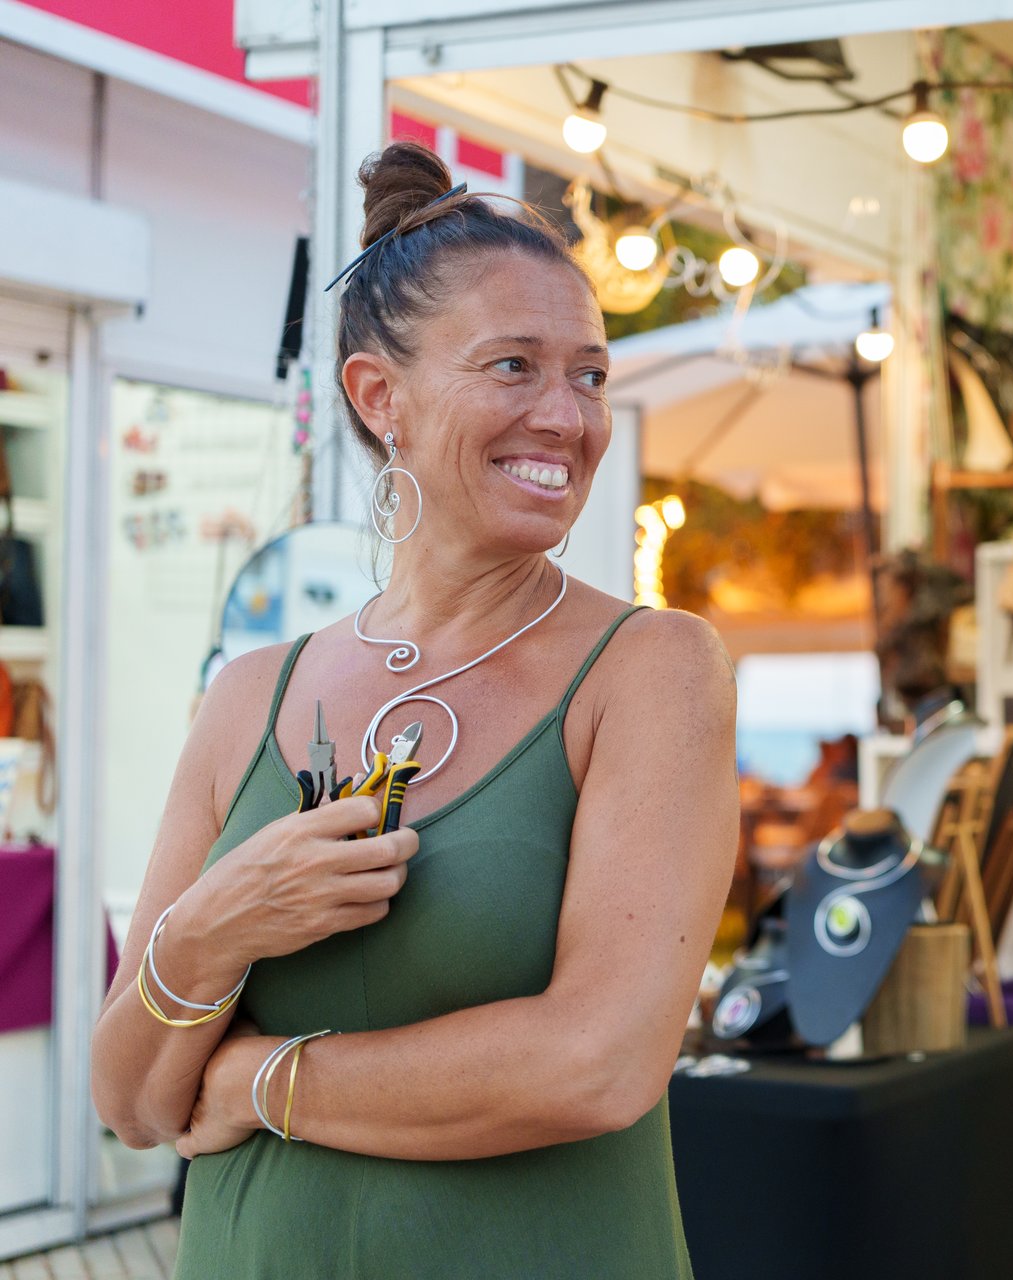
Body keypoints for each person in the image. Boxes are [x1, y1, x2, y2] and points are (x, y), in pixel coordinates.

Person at [88, 141, 738, 1278]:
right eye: (513, 366)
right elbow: (136, 1101)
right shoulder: (253, 693)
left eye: (589, 374)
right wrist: (216, 924)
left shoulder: (654, 669)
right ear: (378, 396)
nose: (569, 416)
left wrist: (258, 1075)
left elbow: (596, 1061)